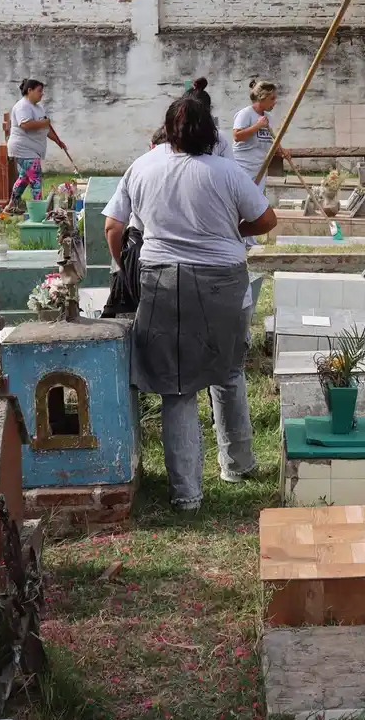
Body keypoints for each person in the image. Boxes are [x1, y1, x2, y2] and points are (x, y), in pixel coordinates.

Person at [102, 94, 278, 512]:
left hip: (164, 280)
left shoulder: (143, 166)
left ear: (168, 130)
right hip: (223, 281)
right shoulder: (227, 171)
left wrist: (126, 267)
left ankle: (187, 495)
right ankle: (238, 464)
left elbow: (113, 226)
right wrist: (234, 227)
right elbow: (267, 221)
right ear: (210, 132)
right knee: (228, 372)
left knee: (176, 387)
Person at [6, 79, 68, 214]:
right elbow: (25, 125)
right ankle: (38, 211)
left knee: (24, 179)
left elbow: (46, 128)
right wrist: (45, 122)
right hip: (24, 148)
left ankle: (11, 205)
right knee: (36, 179)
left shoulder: (38, 108)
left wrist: (58, 141)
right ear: (30, 91)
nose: (42, 94)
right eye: (39, 91)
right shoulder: (23, 106)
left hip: (33, 149)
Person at [232, 80, 279, 186]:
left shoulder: (268, 117)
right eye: (272, 98)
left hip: (260, 170)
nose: (275, 102)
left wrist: (281, 150)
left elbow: (269, 140)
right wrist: (257, 126)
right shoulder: (245, 114)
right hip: (243, 169)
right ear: (262, 97)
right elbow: (236, 136)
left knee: (257, 201)